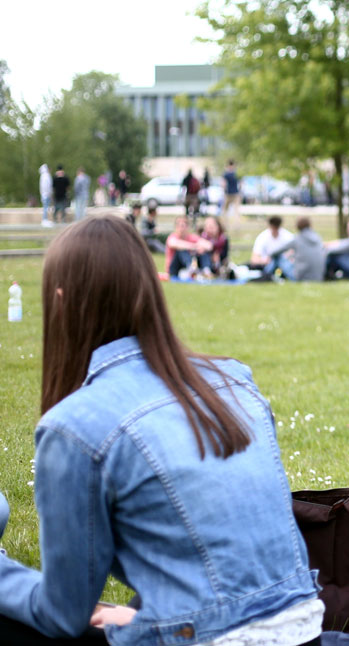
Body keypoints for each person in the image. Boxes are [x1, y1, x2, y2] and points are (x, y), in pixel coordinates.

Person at [0, 217, 326, 646]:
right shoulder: (234, 380)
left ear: (60, 301)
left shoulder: (76, 427)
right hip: (303, 628)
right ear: (149, 291)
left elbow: (61, 614)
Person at [268, 217, 327, 282]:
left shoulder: (297, 239)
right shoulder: (318, 238)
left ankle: (265, 275)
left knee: (279, 257)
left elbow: (274, 252)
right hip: (318, 277)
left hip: (300, 278)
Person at [222, 160, 242, 227]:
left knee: (225, 210)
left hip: (228, 194)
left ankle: (225, 224)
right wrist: (239, 191)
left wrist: (224, 191)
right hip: (236, 194)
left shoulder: (226, 174)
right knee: (236, 210)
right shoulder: (236, 174)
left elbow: (223, 184)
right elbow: (241, 184)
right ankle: (237, 224)